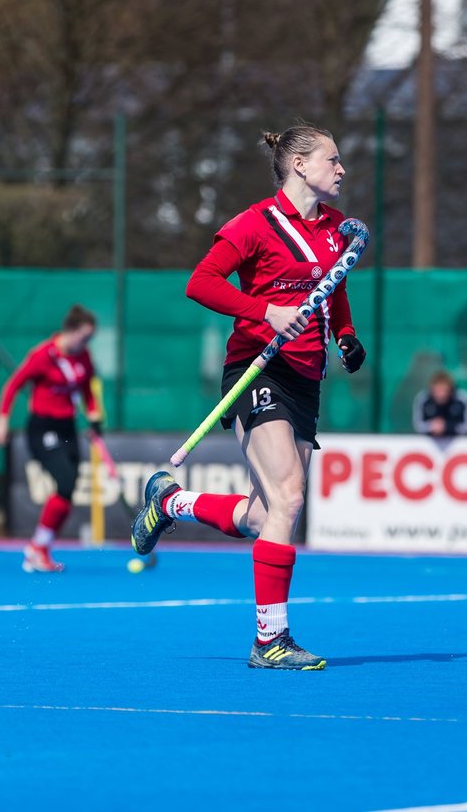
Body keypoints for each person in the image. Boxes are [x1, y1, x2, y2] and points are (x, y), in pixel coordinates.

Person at [128, 124, 364, 670]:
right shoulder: (254, 225)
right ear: (300, 165)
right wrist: (264, 311)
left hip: (307, 376)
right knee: (289, 499)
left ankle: (170, 503)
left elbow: (335, 288)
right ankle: (269, 640)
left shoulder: (334, 229)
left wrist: (346, 335)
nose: (342, 169)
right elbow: (201, 282)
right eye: (333, 159)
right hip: (259, 367)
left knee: (266, 515)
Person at [0, 305, 102, 573]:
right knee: (64, 482)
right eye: (85, 337)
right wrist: (2, 419)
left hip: (67, 428)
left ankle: (38, 548)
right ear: (72, 331)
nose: (87, 343)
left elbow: (87, 388)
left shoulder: (83, 356)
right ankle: (37, 549)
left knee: (69, 488)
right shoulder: (43, 355)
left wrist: (94, 416)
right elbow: (13, 385)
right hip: (43, 429)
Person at [413, 370, 467, 437]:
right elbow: (418, 425)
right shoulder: (423, 399)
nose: (441, 395)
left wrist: (448, 426)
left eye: (444, 390)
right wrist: (431, 426)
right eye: (437, 391)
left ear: (450, 389)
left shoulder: (463, 399)